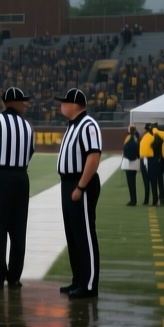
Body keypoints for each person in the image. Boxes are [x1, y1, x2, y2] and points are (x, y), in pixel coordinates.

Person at [0, 87, 36, 290]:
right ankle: (14, 277)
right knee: (18, 230)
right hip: (21, 177)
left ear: (3, 103)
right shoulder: (27, 127)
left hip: (0, 176)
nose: (25, 104)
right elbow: (30, 152)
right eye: (23, 101)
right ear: (14, 102)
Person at [56, 88, 103, 299]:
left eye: (64, 102)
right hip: (69, 183)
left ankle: (89, 284)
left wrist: (81, 187)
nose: (61, 105)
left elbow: (93, 157)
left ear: (75, 104)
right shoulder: (72, 126)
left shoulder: (88, 125)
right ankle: (78, 280)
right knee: (73, 235)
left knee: (84, 234)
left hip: (80, 183)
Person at [121, 125, 141, 205]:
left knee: (130, 182)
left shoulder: (128, 137)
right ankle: (134, 199)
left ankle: (132, 200)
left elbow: (125, 148)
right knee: (133, 182)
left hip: (128, 162)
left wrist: (126, 155)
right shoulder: (137, 137)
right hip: (136, 161)